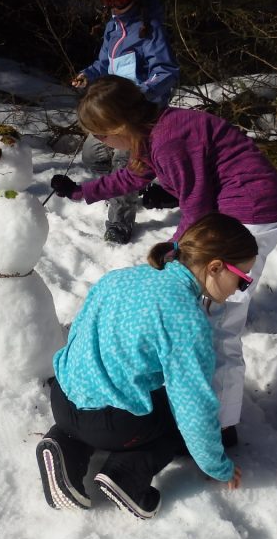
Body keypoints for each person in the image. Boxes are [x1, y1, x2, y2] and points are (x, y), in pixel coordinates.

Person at [50, 75, 277, 444]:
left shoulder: (169, 140)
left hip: (249, 217)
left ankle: (220, 426)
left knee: (218, 320)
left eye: (100, 135)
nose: (100, 142)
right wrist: (82, 191)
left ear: (118, 126)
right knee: (206, 312)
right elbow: (130, 178)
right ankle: (198, 403)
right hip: (239, 211)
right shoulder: (153, 134)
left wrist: (174, 250)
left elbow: (197, 206)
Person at [36, 213, 256, 519]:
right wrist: (217, 465)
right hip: (112, 426)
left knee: (102, 409)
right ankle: (126, 475)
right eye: (242, 279)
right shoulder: (186, 319)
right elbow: (194, 407)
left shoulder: (119, 278)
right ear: (216, 267)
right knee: (175, 420)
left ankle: (65, 445)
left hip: (63, 400)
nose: (240, 289)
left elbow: (78, 335)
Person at [71, 0, 180, 245]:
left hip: (140, 109)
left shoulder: (149, 27)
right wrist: (87, 75)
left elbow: (166, 71)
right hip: (112, 106)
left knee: (124, 161)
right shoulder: (113, 27)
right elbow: (103, 64)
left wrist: (142, 93)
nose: (114, 5)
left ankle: (119, 221)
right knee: (93, 155)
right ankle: (134, 182)